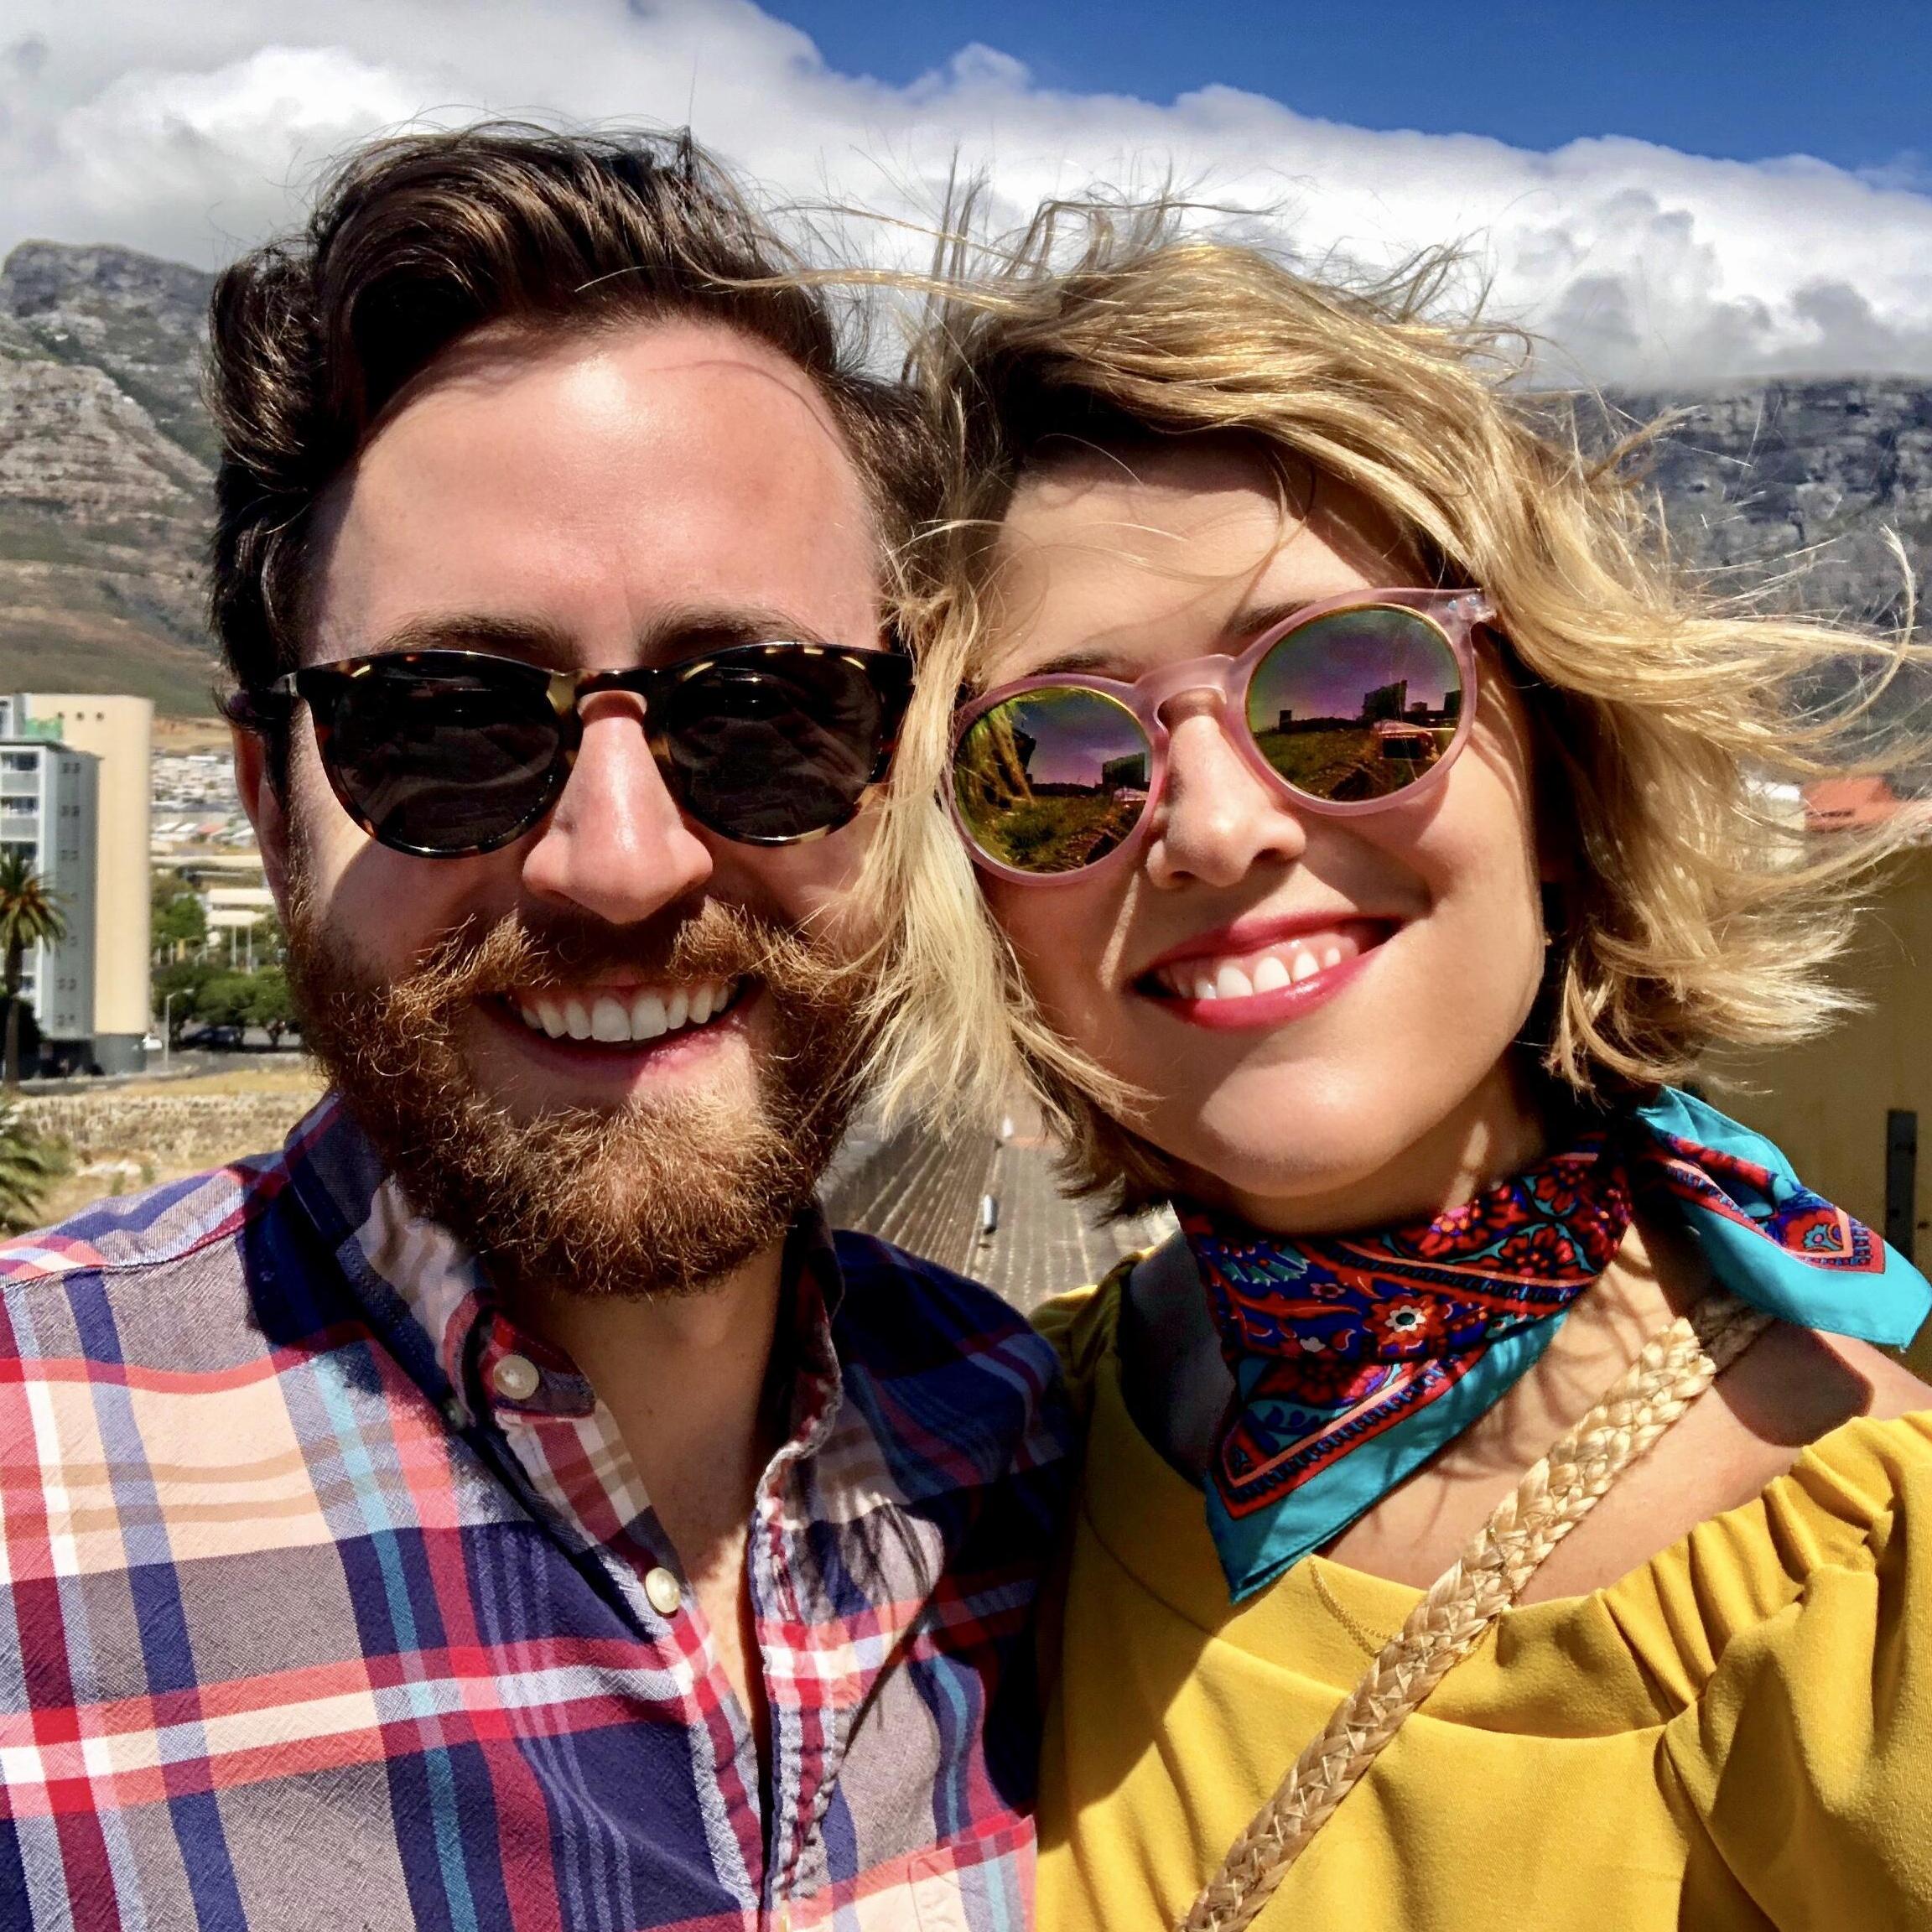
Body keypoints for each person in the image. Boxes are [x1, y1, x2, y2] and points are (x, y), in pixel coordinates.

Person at [0, 130, 1069, 1931]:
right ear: (271, 804)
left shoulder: (1028, 1453)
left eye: (767, 713)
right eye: (446, 722)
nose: (622, 862)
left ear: (892, 772)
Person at [875, 210, 1932, 1929]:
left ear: (1564, 763)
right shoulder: (1001, 1443)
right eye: (1060, 756)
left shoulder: (1855, 1565)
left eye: (1352, 683)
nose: (1213, 829)